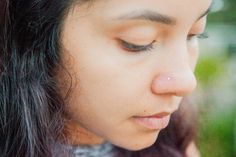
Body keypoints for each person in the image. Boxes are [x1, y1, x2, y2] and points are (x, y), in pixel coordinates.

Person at [0, 0, 212, 156]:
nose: (186, 82)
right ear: (31, 35)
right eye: (138, 41)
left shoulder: (174, 142)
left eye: (194, 34)